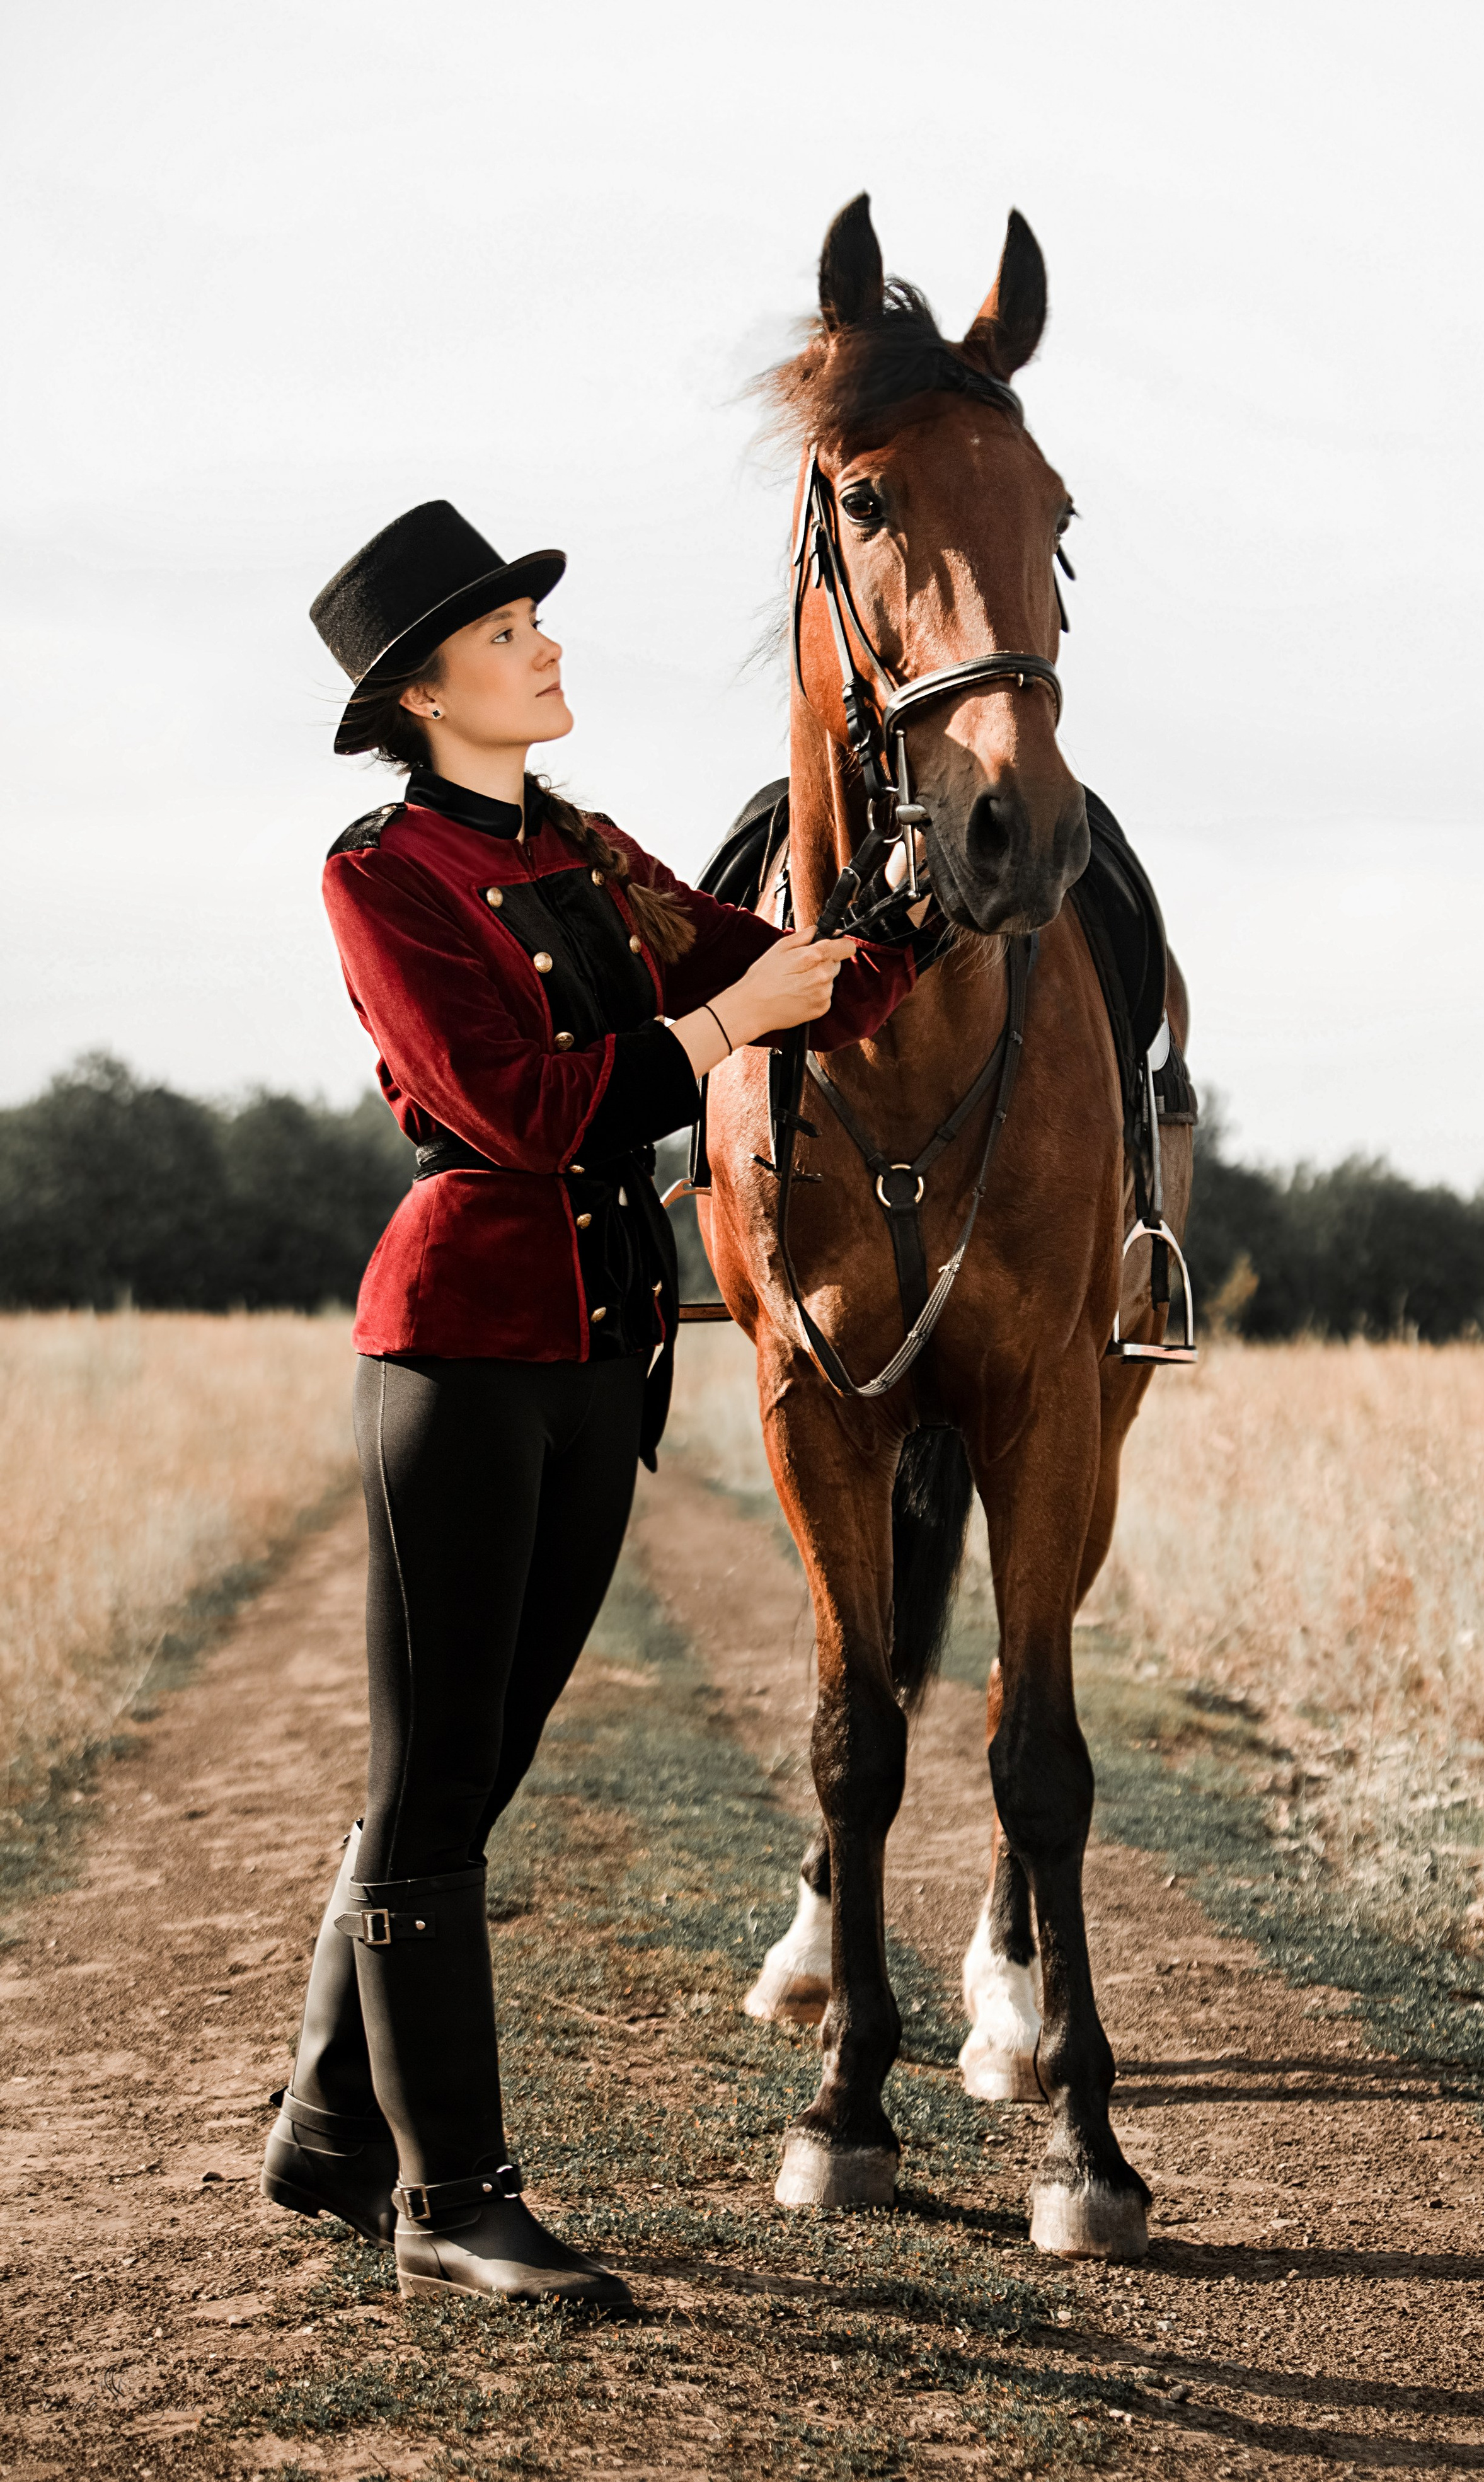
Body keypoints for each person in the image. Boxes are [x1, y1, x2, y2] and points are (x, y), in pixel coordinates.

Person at [260, 500, 930, 2308]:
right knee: (431, 1781)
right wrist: (730, 1034)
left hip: (600, 1356)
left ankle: (329, 2130)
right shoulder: (383, 873)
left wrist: (915, 921)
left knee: (479, 1770)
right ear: (419, 693)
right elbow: (519, 1108)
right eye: (505, 638)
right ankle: (446, 2195)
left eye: (535, 628)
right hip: (458, 1356)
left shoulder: (581, 849)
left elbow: (760, 960)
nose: (546, 649)